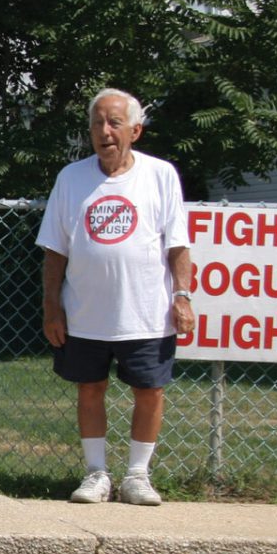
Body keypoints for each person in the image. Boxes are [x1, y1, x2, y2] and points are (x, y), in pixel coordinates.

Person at [38, 88, 194, 506]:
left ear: (136, 131)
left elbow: (177, 245)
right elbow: (55, 249)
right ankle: (95, 474)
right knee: (90, 388)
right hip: (85, 313)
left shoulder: (160, 175)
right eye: (97, 123)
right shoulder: (71, 178)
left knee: (150, 391)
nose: (104, 131)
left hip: (145, 313)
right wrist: (52, 306)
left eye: (114, 122)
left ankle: (137, 477)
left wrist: (182, 296)